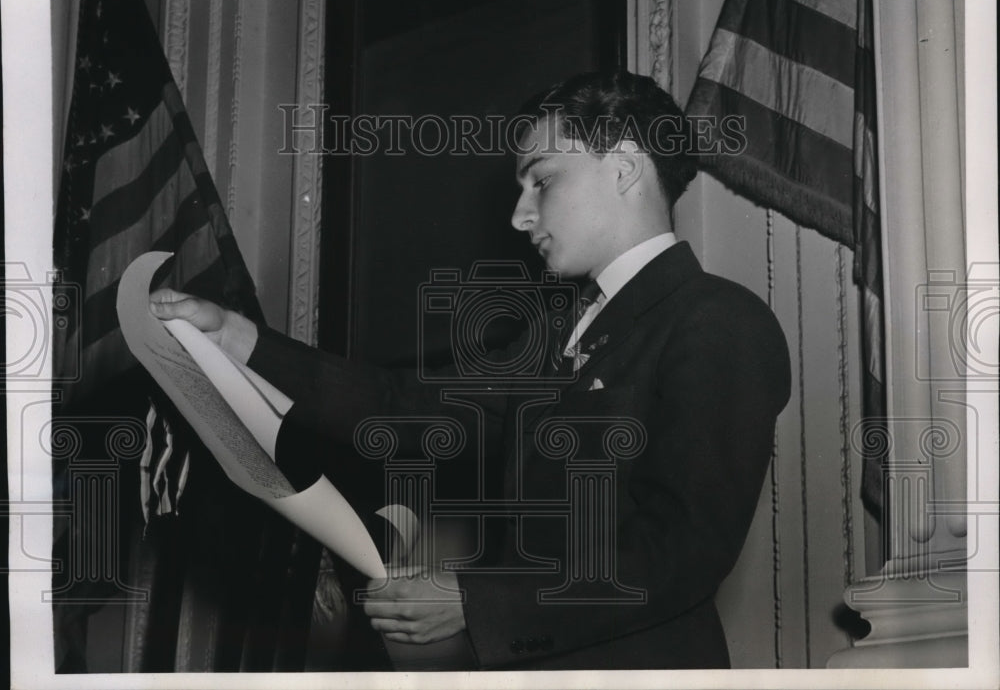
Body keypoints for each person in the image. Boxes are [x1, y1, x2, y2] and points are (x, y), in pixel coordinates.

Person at [150, 70, 791, 669]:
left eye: (541, 180)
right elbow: (396, 406)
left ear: (624, 169)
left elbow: (681, 555)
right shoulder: (551, 334)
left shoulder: (718, 320)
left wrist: (473, 600)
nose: (519, 215)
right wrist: (235, 337)